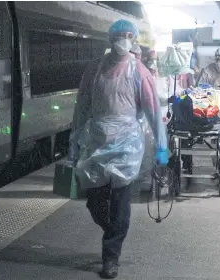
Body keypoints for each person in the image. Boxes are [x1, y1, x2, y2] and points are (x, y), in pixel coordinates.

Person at [67, 19, 168, 279]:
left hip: (127, 146)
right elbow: (82, 106)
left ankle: (111, 257)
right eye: (119, 35)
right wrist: (74, 141)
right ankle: (112, 231)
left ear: (133, 39)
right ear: (110, 38)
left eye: (128, 35)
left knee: (121, 205)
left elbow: (153, 112)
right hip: (98, 143)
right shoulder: (95, 69)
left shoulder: (139, 71)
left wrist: (161, 146)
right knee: (94, 202)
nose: (124, 39)